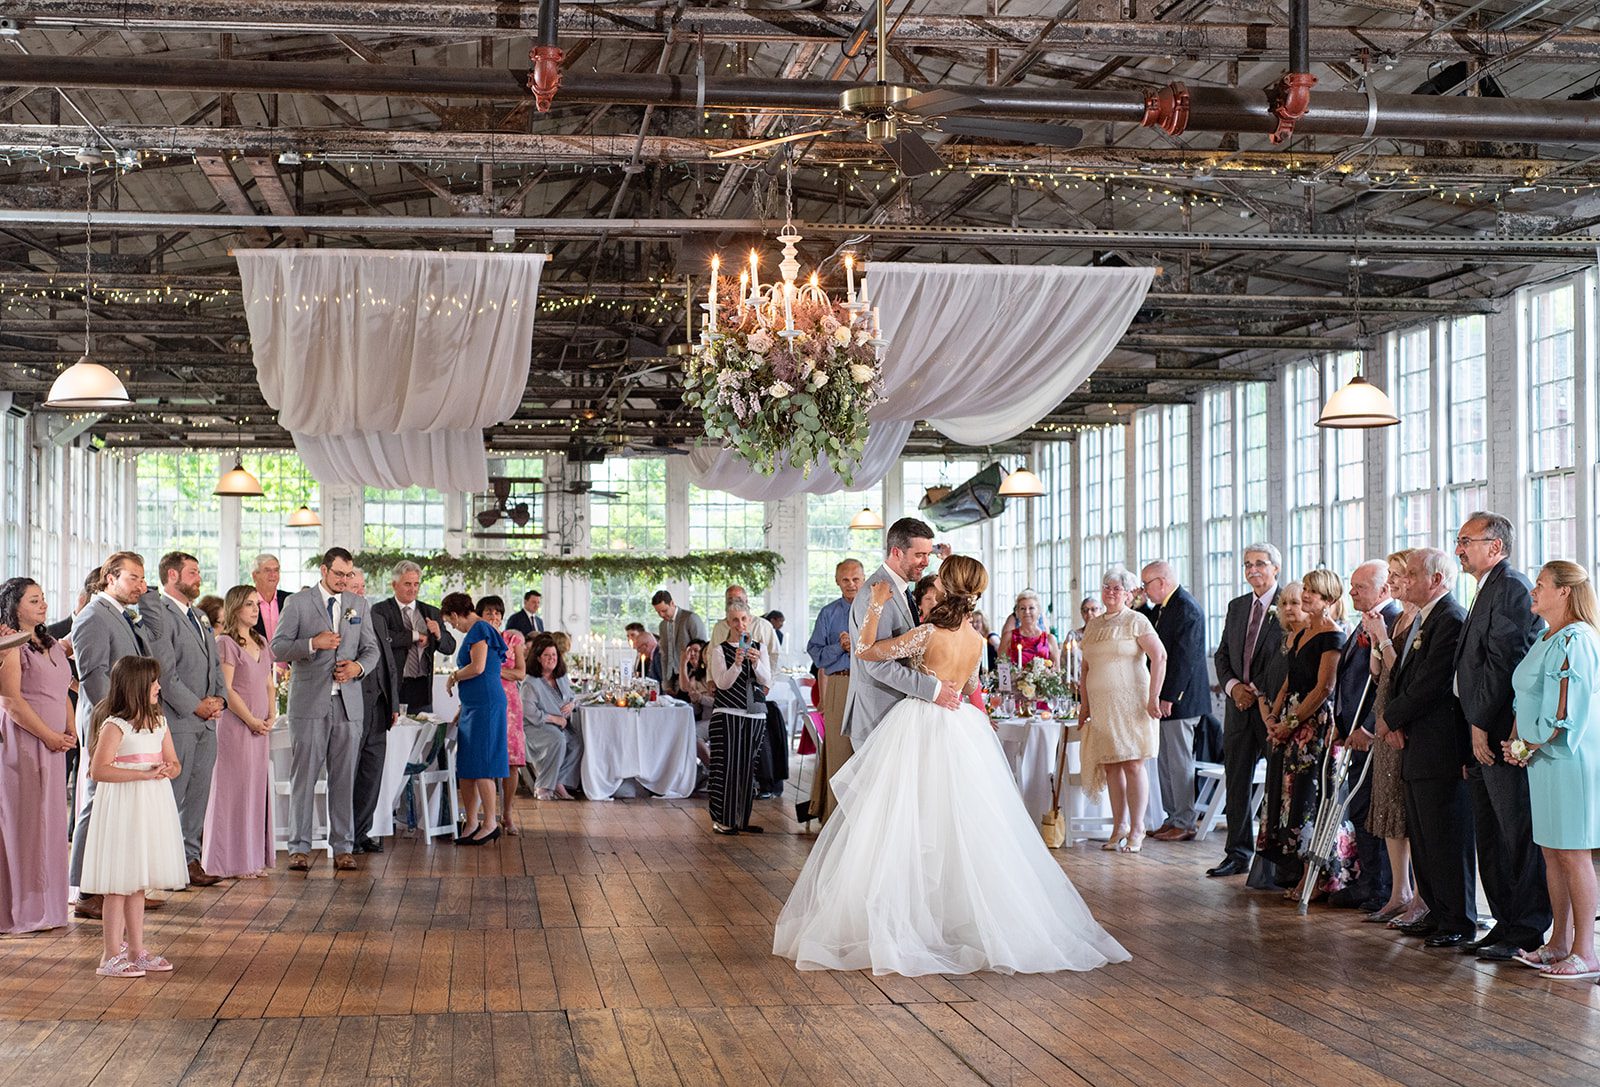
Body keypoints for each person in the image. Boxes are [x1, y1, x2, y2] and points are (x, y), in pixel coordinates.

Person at [773, 555, 1130, 975]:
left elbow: (867, 653)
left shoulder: (928, 633)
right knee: (957, 824)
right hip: (962, 728)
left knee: (906, 821)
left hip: (919, 726)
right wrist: (976, 716)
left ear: (946, 587)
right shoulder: (976, 641)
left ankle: (909, 918)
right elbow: (973, 688)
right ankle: (955, 917)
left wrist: (876, 606)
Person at [1452, 512, 1551, 962]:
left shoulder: (1510, 587)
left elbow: (1502, 661)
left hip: (1497, 730)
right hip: (1477, 726)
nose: (1459, 549)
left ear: (1495, 546)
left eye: (1466, 541)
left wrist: (1478, 723)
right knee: (1489, 835)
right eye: (1458, 540)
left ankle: (1527, 928)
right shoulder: (1485, 587)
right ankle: (1504, 922)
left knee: (1516, 833)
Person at [1504, 561, 1600, 978]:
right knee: (1552, 851)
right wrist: (1516, 741)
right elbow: (1525, 695)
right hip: (1541, 758)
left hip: (1567, 757)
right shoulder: (1546, 636)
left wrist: (1530, 743)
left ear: (1564, 591)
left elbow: (1566, 709)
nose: (1533, 590)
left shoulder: (1577, 638)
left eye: (1540, 584)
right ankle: (1558, 942)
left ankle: (1585, 950)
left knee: (1574, 852)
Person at [1386, 548, 1477, 948]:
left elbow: (1433, 683)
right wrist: (1395, 718)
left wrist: (1391, 717)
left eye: (1410, 574)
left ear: (1436, 580)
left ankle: (1457, 919)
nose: (1402, 581)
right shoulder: (1424, 617)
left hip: (1441, 744)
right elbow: (1403, 676)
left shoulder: (1450, 619)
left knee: (1445, 837)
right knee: (1423, 836)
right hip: (1417, 742)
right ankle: (1437, 912)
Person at [68, 552, 165, 920]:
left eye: (143, 578)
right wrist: (117, 720)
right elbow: (93, 675)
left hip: (128, 719)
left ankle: (120, 887)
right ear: (110, 578)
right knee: (97, 802)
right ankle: (86, 890)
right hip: (108, 721)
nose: (141, 585)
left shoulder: (123, 614)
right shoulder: (94, 616)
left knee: (122, 804)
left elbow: (154, 637)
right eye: (133, 578)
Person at [271, 547, 380, 873]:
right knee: (303, 777)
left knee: (344, 779)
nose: (344, 580)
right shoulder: (298, 603)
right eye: (339, 574)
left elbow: (371, 650)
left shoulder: (359, 604)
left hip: (348, 705)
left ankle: (343, 847)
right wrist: (312, 644)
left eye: (349, 575)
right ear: (323, 570)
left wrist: (357, 668)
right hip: (309, 704)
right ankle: (298, 848)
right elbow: (278, 647)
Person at [80, 656, 188, 979]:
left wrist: (168, 769)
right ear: (136, 686)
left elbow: (174, 762)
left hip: (150, 805)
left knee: (137, 882)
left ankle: (136, 950)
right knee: (118, 882)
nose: (158, 687)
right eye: (153, 682)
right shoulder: (115, 725)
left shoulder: (159, 722)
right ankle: (110, 954)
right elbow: (98, 770)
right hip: (123, 805)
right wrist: (141, 774)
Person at [1261, 568, 1350, 897]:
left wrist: (1291, 724)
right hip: (1290, 719)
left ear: (1328, 599)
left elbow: (1324, 688)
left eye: (1313, 592)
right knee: (1290, 798)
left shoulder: (1332, 635)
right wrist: (1274, 716)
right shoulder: (1303, 633)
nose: (1306, 596)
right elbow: (1289, 680)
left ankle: (1316, 878)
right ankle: (1299, 873)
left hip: (1313, 726)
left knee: (1309, 799)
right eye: (1306, 590)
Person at [841, 518, 960, 763]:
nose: (925, 562)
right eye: (919, 555)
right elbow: (876, 665)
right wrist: (933, 689)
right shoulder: (876, 594)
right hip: (877, 716)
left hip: (897, 717)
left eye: (928, 554)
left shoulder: (902, 589)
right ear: (897, 552)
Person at [1327, 560, 1403, 912]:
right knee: (1360, 809)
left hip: (1373, 734)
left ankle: (1381, 887)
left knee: (1375, 811)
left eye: (1360, 587)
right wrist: (1340, 723)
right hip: (1352, 731)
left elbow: (1385, 686)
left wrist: (1369, 726)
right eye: (1352, 585)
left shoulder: (1392, 621)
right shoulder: (1364, 622)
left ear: (1384, 589)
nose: (1351, 592)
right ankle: (1368, 881)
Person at [150, 551, 228, 888]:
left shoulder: (200, 615)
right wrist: (196, 706)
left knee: (198, 795)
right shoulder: (160, 614)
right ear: (172, 575)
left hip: (207, 722)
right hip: (178, 719)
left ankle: (190, 860)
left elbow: (215, 664)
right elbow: (165, 673)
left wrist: (220, 699)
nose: (199, 578)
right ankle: (163, 866)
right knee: (172, 796)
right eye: (193, 572)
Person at [0, 577, 73, 933]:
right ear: (14, 607)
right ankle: (23, 909)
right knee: (25, 824)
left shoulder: (52, 644)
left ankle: (51, 906)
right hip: (25, 743)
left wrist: (70, 729)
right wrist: (48, 736)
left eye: (43, 598)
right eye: (33, 600)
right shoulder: (12, 646)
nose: (43, 604)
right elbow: (11, 701)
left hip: (55, 744)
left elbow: (63, 689)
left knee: (51, 824)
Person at [1207, 543, 1284, 878]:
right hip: (1237, 706)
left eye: (1260, 564)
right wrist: (1233, 687)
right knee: (1237, 780)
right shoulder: (1237, 606)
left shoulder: (1289, 603)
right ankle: (1237, 853)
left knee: (1277, 782)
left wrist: (1256, 691)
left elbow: (1285, 656)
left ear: (1275, 568)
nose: (1253, 570)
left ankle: (1274, 859)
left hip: (1272, 708)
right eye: (1247, 564)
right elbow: (1222, 654)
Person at [1078, 568, 1167, 855]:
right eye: (1107, 587)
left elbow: (1160, 656)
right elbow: (1085, 668)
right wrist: (1084, 706)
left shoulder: (1136, 620)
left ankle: (1138, 828)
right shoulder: (1093, 625)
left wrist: (1154, 697)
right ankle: (1119, 826)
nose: (1111, 592)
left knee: (1132, 764)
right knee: (1111, 765)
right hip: (1102, 705)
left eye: (1117, 588)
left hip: (1132, 703)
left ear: (1128, 594)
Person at [1363, 552, 1422, 926]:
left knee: (1407, 809)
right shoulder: (1399, 618)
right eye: (1393, 575)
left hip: (1403, 722)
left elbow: (1402, 672)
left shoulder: (1420, 620)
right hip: (1385, 714)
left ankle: (1419, 895)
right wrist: (1375, 638)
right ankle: (1398, 891)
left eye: (1401, 574)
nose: (1395, 581)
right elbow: (1378, 672)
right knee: (1388, 806)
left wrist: (1383, 639)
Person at [203, 585, 277, 880]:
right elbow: (228, 690)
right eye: (249, 604)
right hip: (236, 726)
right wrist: (251, 720)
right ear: (235, 608)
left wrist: (271, 714)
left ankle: (252, 858)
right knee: (234, 792)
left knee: (255, 790)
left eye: (256, 604)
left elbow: (269, 684)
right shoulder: (226, 643)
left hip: (260, 727)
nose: (255, 609)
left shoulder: (261, 641)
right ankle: (229, 862)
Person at [1141, 561, 1208, 843]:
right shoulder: (1165, 607)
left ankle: (1185, 820)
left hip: (1181, 699)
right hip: (1166, 697)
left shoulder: (1186, 608)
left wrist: (1169, 696)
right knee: (1165, 761)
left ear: (1162, 582)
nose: (1144, 590)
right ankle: (1172, 817)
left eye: (1146, 584)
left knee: (1179, 761)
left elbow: (1184, 658)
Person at [441, 592, 509, 844]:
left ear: (456, 614)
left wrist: (454, 676)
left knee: (483, 764)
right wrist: (462, 709)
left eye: (450, 621)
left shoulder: (480, 628)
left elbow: (478, 667)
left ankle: (490, 822)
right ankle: (471, 822)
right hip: (473, 705)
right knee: (468, 767)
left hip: (486, 705)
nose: (452, 626)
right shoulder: (476, 631)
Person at [709, 586, 787, 799]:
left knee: (759, 743)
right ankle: (731, 792)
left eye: (738, 598)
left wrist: (768, 682)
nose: (740, 623)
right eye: (730, 598)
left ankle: (765, 784)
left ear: (747, 602)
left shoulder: (763, 626)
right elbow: (711, 654)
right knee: (730, 750)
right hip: (728, 696)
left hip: (756, 691)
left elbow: (774, 655)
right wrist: (710, 679)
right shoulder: (719, 628)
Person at [804, 559, 864, 825]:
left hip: (869, 684)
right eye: (845, 580)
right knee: (838, 751)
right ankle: (834, 819)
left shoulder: (876, 611)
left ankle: (863, 819)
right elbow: (816, 654)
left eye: (856, 579)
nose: (851, 585)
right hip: (840, 683)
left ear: (864, 580)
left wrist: (859, 646)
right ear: (837, 582)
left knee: (866, 751)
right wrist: (840, 647)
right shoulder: (828, 614)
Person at [707, 601, 773, 834]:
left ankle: (741, 819)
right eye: (735, 620)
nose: (740, 624)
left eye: (744, 619)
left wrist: (755, 662)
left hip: (755, 715)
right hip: (727, 714)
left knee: (747, 768)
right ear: (728, 622)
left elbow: (766, 680)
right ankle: (722, 819)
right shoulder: (719, 650)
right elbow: (722, 683)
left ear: (750, 620)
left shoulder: (760, 648)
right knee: (726, 768)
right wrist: (736, 663)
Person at [351, 573, 399, 856]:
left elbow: (388, 664)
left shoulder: (377, 618)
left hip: (380, 708)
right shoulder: (340, 619)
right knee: (351, 773)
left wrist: (393, 704)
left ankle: (362, 832)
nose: (361, 592)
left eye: (362, 587)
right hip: (354, 706)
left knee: (372, 774)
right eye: (354, 587)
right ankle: (347, 836)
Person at [371, 561, 455, 716]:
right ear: (394, 585)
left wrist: (438, 634)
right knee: (392, 731)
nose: (413, 589)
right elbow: (381, 639)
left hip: (422, 689)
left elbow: (450, 647)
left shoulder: (431, 612)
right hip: (392, 688)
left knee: (423, 731)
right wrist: (415, 636)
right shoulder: (380, 610)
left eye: (416, 584)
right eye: (407, 584)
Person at [478, 595, 527, 836]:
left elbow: (520, 673)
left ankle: (507, 813)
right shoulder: (478, 639)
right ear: (480, 616)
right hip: (485, 700)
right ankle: (486, 815)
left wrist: (493, 671)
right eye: (489, 612)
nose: (494, 616)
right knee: (486, 759)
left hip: (510, 705)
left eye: (497, 612)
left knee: (512, 761)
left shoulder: (512, 639)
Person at [522, 633, 580, 801]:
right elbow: (529, 711)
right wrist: (555, 719)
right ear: (538, 658)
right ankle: (544, 785)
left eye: (554, 655)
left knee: (576, 742)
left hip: (559, 724)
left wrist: (572, 705)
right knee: (558, 739)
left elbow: (572, 696)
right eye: (546, 655)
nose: (551, 659)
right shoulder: (530, 682)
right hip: (536, 726)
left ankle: (559, 781)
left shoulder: (560, 677)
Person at [653, 590, 708, 697]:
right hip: (672, 678)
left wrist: (698, 680)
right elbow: (665, 656)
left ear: (672, 603)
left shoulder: (690, 618)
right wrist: (667, 684)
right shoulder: (662, 625)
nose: (661, 615)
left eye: (664, 610)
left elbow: (702, 650)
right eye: (658, 612)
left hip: (691, 677)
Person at [999, 589, 1061, 672]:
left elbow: (1057, 669)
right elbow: (1001, 666)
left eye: (1031, 608)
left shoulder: (1050, 639)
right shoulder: (1008, 637)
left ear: (1038, 612)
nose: (1027, 612)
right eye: (1022, 608)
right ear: (1017, 613)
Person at [678, 639, 715, 764]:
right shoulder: (698, 677)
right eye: (705, 654)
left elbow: (722, 703)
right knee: (683, 730)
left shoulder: (719, 677)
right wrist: (695, 701)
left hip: (719, 718)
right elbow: (698, 710)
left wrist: (701, 698)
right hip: (705, 719)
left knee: (692, 733)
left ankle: (712, 767)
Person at [1063, 595, 1107, 688]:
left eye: (1093, 609)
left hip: (1102, 685)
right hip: (1077, 686)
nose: (1089, 613)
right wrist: (1072, 681)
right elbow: (1064, 664)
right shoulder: (1073, 636)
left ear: (1101, 611)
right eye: (1085, 610)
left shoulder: (1106, 635)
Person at [250, 554, 292, 644]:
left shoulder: (291, 599)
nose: (273, 575)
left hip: (287, 653)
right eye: (267, 570)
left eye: (276, 570)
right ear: (254, 575)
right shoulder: (244, 602)